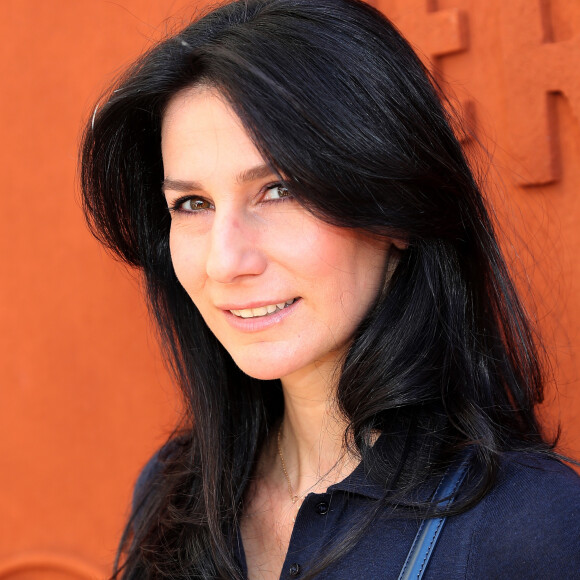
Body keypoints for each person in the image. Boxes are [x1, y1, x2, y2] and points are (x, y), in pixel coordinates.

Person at [80, 0, 580, 578]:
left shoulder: (530, 526)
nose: (224, 260)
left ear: (394, 206)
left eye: (278, 189)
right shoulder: (175, 496)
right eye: (193, 204)